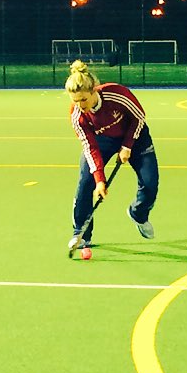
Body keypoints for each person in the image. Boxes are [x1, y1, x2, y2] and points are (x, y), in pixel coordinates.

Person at [65, 60, 159, 250]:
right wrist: (100, 180)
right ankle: (81, 233)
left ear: (94, 91)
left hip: (136, 136)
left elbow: (139, 116)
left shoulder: (116, 94)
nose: (80, 105)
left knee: (150, 184)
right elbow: (90, 147)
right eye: (75, 101)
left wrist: (127, 145)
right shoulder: (77, 115)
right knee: (86, 184)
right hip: (103, 140)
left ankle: (138, 213)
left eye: (83, 99)